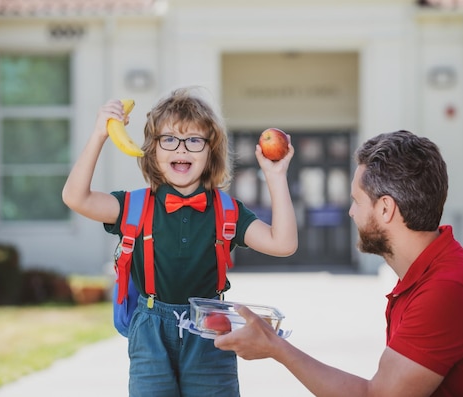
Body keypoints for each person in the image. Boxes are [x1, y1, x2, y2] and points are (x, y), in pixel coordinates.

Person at [215, 130, 463, 397]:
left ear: (386, 209)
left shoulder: (447, 289)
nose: (351, 212)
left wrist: (276, 348)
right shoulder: (430, 273)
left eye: (357, 201)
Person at [62, 87, 298, 397]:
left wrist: (276, 176)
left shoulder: (227, 211)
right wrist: (98, 135)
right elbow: (75, 197)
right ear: (153, 150)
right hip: (149, 330)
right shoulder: (134, 205)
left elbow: (283, 243)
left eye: (194, 141)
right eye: (169, 139)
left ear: (210, 151)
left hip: (210, 329)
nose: (181, 149)